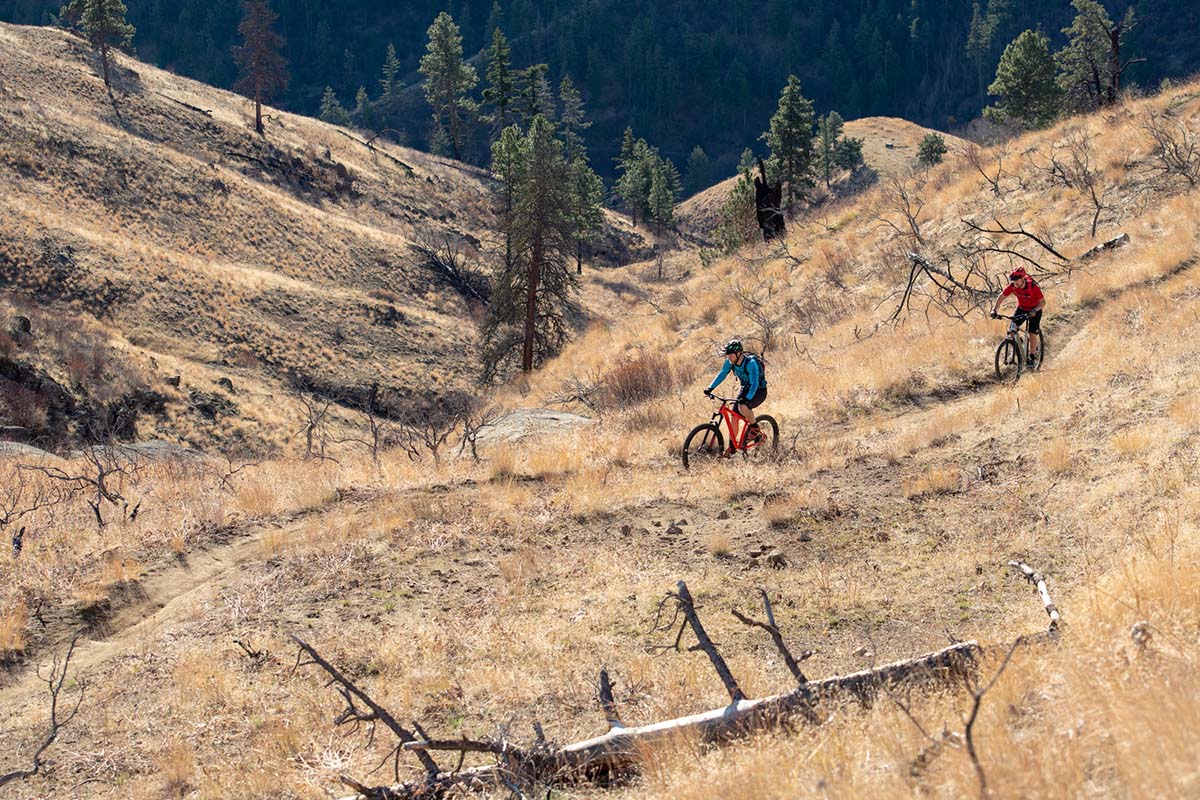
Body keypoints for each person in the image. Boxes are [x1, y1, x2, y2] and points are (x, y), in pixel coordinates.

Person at [704, 338, 768, 452]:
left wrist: (747, 398)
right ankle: (732, 447)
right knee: (734, 417)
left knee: (743, 406)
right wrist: (710, 387)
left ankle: (754, 428)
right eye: (727, 355)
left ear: (738, 353)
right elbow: (722, 374)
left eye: (730, 355)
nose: (728, 357)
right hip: (745, 389)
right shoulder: (730, 362)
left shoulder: (751, 363)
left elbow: (755, 383)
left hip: (759, 390)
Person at [990, 267, 1044, 366]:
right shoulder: (1012, 286)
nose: (1015, 282)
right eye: (1013, 280)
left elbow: (1042, 302)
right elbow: (1002, 296)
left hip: (1035, 310)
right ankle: (1017, 346)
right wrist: (994, 309)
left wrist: (1034, 310)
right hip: (1022, 308)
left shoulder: (1032, 287)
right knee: (1011, 330)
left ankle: (1032, 357)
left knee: (1032, 332)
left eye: (1016, 280)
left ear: (1023, 278)